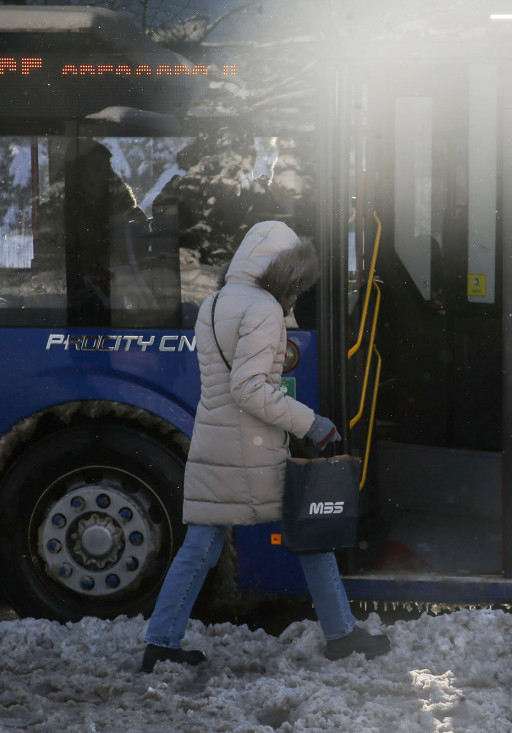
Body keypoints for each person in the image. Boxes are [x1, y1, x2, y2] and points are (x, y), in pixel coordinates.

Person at [141, 220, 390, 673]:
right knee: (311, 532)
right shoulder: (263, 309)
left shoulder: (213, 303)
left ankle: (160, 640)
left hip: (216, 438)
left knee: (201, 544)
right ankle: (340, 634)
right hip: (250, 446)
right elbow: (251, 388)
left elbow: (224, 384)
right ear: (283, 272)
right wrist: (312, 423)